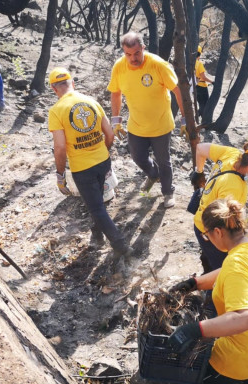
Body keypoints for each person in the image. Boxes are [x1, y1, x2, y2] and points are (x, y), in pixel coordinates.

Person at [169, 198, 248, 383]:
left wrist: (193, 330)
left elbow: (245, 317)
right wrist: (195, 283)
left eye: (206, 235)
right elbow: (233, 271)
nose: (207, 239)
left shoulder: (236, 264)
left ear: (217, 232)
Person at [48, 67, 133, 259]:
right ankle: (97, 235)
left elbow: (60, 148)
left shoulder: (56, 111)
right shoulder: (91, 102)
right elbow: (109, 135)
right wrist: (102, 151)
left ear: (54, 89)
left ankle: (121, 246)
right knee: (99, 199)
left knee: (96, 207)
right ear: (73, 83)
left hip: (82, 168)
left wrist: (60, 174)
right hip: (103, 160)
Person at [107, 32, 186, 209]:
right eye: (128, 54)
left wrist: (185, 119)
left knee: (164, 160)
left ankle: (167, 192)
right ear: (123, 52)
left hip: (161, 124)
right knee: (137, 156)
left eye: (136, 53)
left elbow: (178, 90)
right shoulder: (119, 67)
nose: (132, 58)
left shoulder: (158, 65)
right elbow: (116, 92)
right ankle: (153, 173)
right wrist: (116, 120)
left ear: (143, 48)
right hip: (136, 124)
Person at [190, 142, 248, 274]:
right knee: (222, 273)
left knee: (211, 262)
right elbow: (223, 225)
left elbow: (200, 148)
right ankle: (210, 291)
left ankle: (207, 268)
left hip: (201, 222)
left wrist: (199, 172)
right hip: (211, 233)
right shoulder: (234, 187)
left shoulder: (232, 154)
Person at [195, 45, 214, 120]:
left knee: (201, 104)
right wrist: (212, 82)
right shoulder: (199, 64)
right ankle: (199, 118)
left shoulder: (190, 63)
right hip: (202, 86)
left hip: (195, 86)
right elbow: (203, 77)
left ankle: (199, 118)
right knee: (205, 105)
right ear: (199, 54)